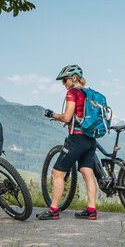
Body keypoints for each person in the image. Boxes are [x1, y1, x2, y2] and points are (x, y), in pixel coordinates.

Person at [39, 64, 99, 220]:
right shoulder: (89, 93)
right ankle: (91, 210)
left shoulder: (73, 93)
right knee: (88, 173)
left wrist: (53, 114)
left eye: (64, 80)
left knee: (57, 173)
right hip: (90, 139)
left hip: (77, 139)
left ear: (73, 78)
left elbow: (67, 117)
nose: (63, 84)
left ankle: (53, 210)